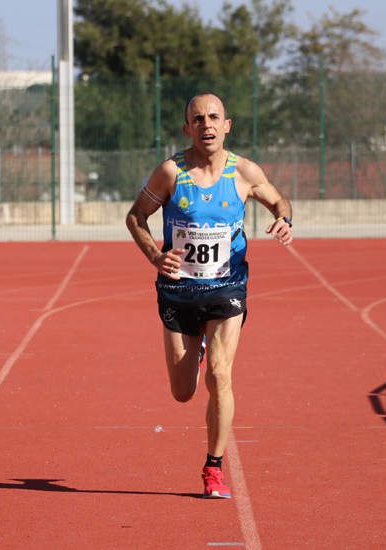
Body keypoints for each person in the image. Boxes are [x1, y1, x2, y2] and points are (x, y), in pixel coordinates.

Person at [126, 92, 293, 499]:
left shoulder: (245, 172)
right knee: (182, 392)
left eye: (214, 117)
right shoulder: (170, 172)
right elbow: (135, 217)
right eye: (198, 119)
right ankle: (194, 352)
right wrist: (155, 255)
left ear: (227, 125)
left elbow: (278, 199)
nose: (207, 125)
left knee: (221, 374)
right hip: (179, 290)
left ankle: (213, 467)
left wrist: (285, 219)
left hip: (227, 288)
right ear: (188, 128)